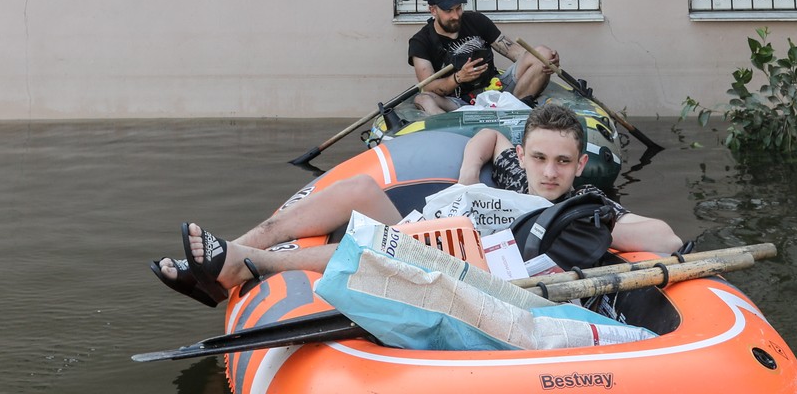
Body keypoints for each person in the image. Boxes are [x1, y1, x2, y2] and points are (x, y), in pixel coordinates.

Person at [152, 103, 683, 306]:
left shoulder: (584, 203)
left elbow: (668, 240)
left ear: (579, 162)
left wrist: (609, 222)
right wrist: (468, 178)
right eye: (540, 157)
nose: (549, 173)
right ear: (525, 153)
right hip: (435, 226)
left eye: (563, 163)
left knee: (399, 245)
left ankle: (235, 267)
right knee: (359, 191)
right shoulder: (517, 163)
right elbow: (488, 139)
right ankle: (235, 252)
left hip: (464, 268)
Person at [408, 0, 556, 114]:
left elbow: (515, 52)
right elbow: (428, 86)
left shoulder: (476, 20)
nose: (456, 15)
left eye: (458, 8)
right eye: (448, 11)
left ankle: (512, 111)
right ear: (433, 10)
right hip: (458, 102)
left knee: (543, 53)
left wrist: (543, 60)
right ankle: (457, 131)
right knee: (422, 99)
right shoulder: (420, 42)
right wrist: (458, 78)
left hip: (496, 89)